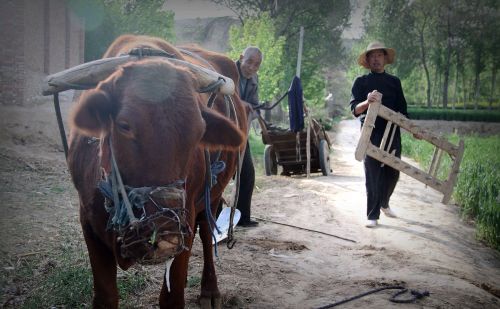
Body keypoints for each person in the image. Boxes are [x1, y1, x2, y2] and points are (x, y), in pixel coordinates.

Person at [349, 41, 408, 228]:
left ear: (384, 58)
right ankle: (372, 215)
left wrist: (414, 131)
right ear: (367, 60)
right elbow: (355, 110)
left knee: (393, 172)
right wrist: (367, 102)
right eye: (372, 55)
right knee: (372, 174)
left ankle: (384, 202)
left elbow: (403, 111)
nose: (376, 58)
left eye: (379, 55)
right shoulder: (361, 82)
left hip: (392, 133)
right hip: (370, 133)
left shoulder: (394, 82)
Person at [235, 46, 263, 227]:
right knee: (217, 175)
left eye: (257, 65)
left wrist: (251, 111)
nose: (252, 68)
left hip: (241, 132)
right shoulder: (226, 71)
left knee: (247, 174)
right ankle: (211, 216)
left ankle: (243, 218)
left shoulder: (254, 79)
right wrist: (242, 105)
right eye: (249, 62)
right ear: (240, 58)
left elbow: (255, 107)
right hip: (221, 131)